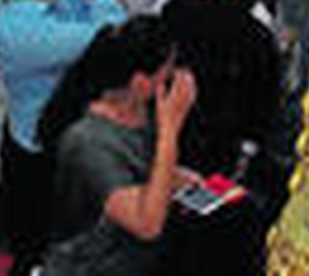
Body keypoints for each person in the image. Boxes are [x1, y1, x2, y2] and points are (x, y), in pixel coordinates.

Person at [0, 0, 132, 275]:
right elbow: (109, 31)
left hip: (70, 124)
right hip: (39, 149)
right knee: (40, 241)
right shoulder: (19, 31)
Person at [38, 17, 199, 276]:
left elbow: (144, 167)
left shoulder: (142, 110)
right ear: (139, 82)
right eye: (167, 70)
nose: (174, 78)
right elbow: (147, 223)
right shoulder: (88, 142)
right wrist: (171, 130)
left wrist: (174, 175)